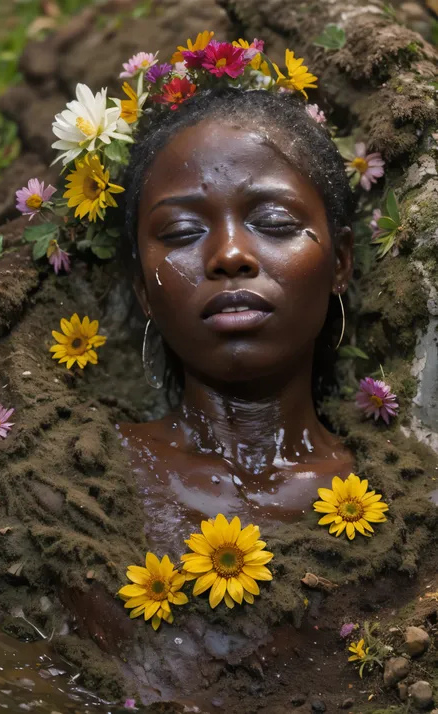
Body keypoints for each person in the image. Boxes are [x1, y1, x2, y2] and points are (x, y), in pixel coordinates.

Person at [116, 86, 355, 556]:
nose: (229, 255)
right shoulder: (77, 482)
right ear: (143, 290)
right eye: (183, 232)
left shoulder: (409, 504)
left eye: (274, 222)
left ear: (340, 263)